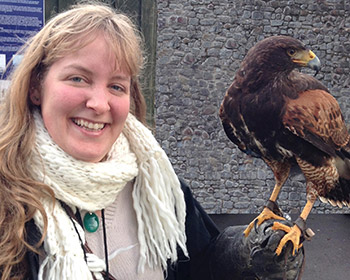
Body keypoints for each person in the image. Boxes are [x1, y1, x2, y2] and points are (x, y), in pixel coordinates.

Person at [0, 2, 304, 280]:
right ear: (36, 87)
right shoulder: (6, 198)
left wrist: (244, 253)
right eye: (78, 78)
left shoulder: (159, 185)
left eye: (117, 86)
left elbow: (201, 264)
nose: (99, 103)